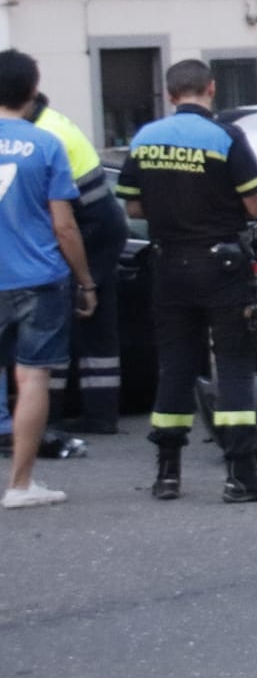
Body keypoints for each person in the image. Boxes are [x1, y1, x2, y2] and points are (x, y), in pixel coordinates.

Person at [114, 60, 257, 503]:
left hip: (168, 266)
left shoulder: (145, 137)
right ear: (211, 89)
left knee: (175, 367)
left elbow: (133, 209)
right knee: (232, 365)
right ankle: (241, 475)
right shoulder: (225, 137)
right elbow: (256, 207)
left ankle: (167, 474)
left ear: (170, 94)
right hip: (222, 267)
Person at [0, 49, 97, 510]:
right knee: (32, 377)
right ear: (33, 91)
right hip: (39, 279)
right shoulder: (45, 144)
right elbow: (64, 225)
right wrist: (86, 280)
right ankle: (20, 485)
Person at [27, 93, 129, 434]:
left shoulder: (41, 136)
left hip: (88, 228)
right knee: (91, 323)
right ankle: (98, 415)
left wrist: (84, 280)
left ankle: (51, 416)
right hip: (100, 225)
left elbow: (59, 219)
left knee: (60, 318)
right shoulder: (50, 123)